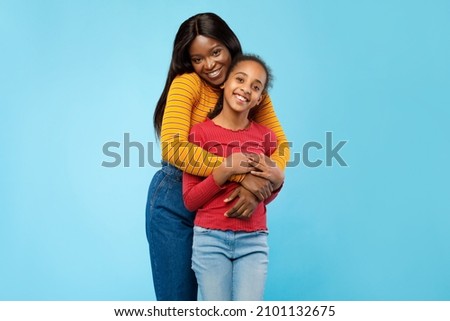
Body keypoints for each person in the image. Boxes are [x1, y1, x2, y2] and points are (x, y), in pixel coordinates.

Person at [146, 12, 290, 301]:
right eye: (198, 59)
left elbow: (280, 148)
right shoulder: (188, 84)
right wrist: (240, 174)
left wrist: (259, 188)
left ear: (230, 46)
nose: (209, 65)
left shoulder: (250, 91)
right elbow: (173, 148)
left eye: (216, 52)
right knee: (178, 304)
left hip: (224, 204)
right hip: (175, 199)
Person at [183, 54, 284, 301]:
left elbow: (266, 190)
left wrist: (276, 181)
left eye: (255, 86)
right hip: (209, 240)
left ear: (260, 99)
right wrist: (226, 170)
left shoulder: (266, 137)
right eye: (240, 79)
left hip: (254, 241)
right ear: (224, 83)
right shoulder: (200, 133)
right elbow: (190, 201)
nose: (246, 89)